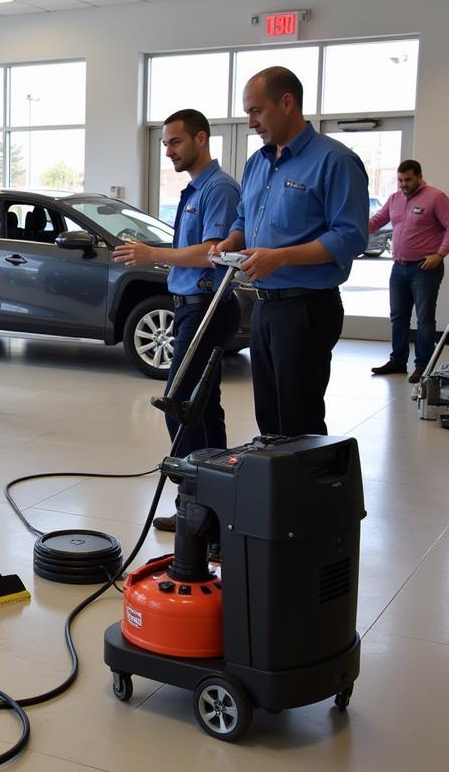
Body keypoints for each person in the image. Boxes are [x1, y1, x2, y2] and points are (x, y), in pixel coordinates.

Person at [212, 67, 369, 437]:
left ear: (287, 102)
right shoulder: (257, 163)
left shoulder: (334, 160)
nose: (251, 123)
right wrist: (232, 242)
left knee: (299, 422)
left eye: (256, 111)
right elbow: (243, 217)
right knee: (269, 420)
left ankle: (306, 495)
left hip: (307, 308)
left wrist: (280, 257)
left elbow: (350, 237)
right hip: (265, 305)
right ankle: (276, 494)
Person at [115, 109, 241, 532]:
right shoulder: (195, 189)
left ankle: (197, 498)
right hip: (190, 304)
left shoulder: (218, 189)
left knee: (179, 405)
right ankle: (214, 504)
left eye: (175, 142)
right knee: (205, 406)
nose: (168, 150)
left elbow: (212, 251)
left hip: (207, 306)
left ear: (201, 139)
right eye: (164, 143)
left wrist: (153, 255)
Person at [368, 159, 449, 383]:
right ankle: (398, 361)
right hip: (399, 267)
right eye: (400, 180)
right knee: (398, 317)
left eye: (408, 180)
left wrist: (440, 254)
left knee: (424, 319)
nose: (403, 184)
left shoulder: (436, 197)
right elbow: (377, 220)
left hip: (424, 268)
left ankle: (423, 366)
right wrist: (353, 229)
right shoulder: (395, 199)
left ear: (419, 177)